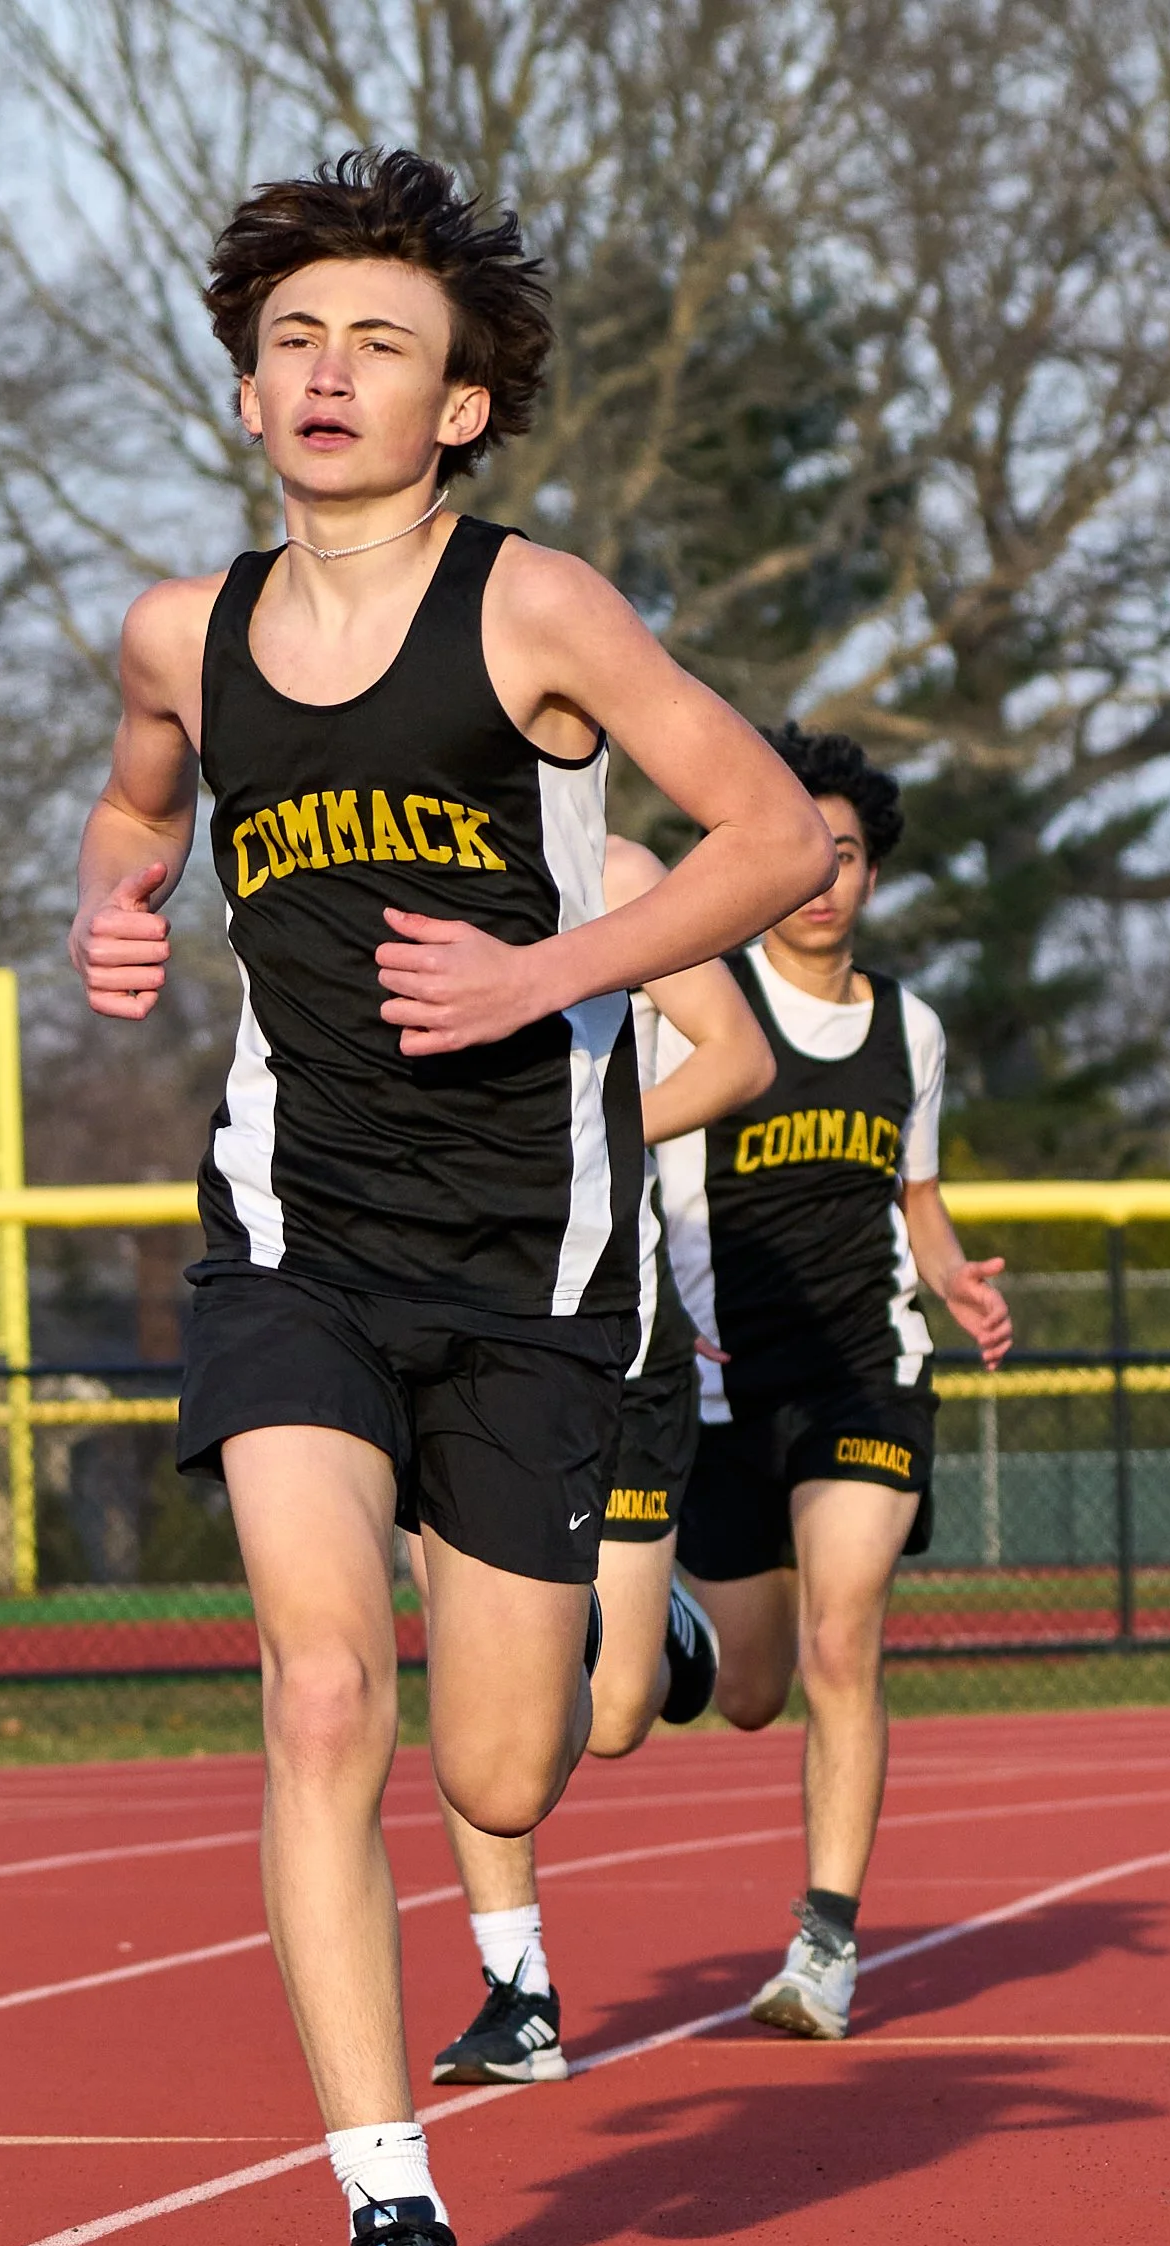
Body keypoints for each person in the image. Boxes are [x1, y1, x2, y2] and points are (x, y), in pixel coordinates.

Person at [68, 151, 836, 2246]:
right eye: (294, 340)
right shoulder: (179, 635)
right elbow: (135, 805)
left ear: (460, 407)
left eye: (379, 344)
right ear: (245, 390)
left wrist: (547, 975)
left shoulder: (536, 615)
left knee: (505, 1769)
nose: (328, 374)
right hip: (293, 1235)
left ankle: (633, 1632)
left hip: (529, 1256)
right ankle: (391, 2207)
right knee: (323, 1692)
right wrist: (111, 907)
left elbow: (772, 832)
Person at [660, 725, 1012, 2044]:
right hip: (723, 1385)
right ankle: (672, 1620)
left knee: (840, 1638)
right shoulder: (701, 1002)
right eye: (802, 853)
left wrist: (953, 1278)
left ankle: (824, 1943)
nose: (822, 880)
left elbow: (915, 1197)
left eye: (846, 855)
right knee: (751, 1690)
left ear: (871, 871)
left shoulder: (909, 1028)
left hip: (867, 1371)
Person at [424, 833, 774, 2089]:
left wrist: (586, 1134)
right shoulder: (375, 860)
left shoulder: (614, 875)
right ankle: (514, 1986)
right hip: (447, 1330)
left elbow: (738, 1055)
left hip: (614, 1337)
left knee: (613, 1712)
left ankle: (656, 1622)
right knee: (464, 1659)